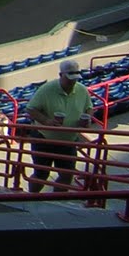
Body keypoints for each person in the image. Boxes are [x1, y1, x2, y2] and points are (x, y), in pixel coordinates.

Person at [24, 58, 94, 193]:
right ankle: (31, 197)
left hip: (68, 140)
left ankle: (57, 199)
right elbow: (31, 108)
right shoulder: (46, 89)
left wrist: (88, 118)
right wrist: (46, 121)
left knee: (67, 174)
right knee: (41, 173)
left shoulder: (81, 90)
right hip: (44, 139)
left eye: (75, 78)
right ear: (61, 75)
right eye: (69, 78)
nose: (72, 81)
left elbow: (89, 107)